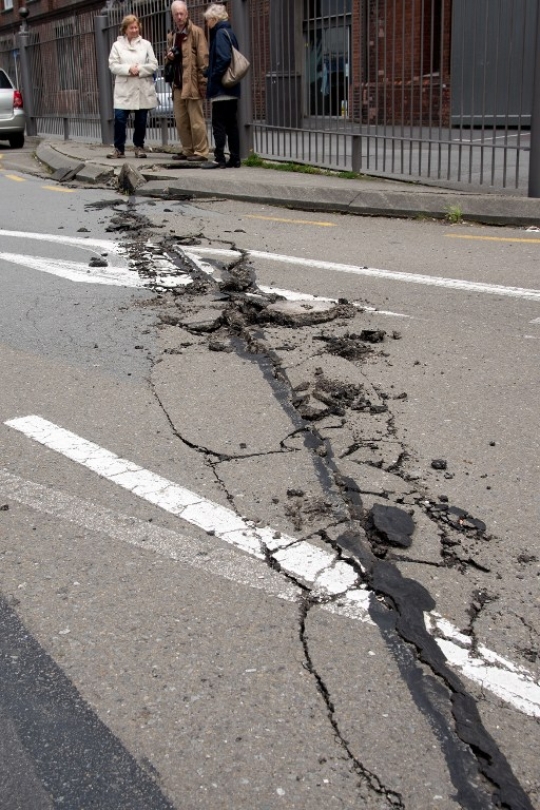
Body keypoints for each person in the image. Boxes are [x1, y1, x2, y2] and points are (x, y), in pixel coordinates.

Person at [108, 15, 158, 159]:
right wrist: (129, 69)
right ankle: (119, 148)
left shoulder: (146, 45)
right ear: (125, 29)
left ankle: (139, 146)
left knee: (141, 120)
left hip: (142, 87)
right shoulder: (117, 46)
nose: (135, 30)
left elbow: (154, 64)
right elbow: (113, 65)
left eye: (136, 27)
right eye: (131, 28)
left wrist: (140, 69)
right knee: (119, 118)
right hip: (124, 88)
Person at [165, 1, 209, 162]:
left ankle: (201, 151)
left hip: (192, 83)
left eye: (181, 13)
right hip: (177, 83)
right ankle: (188, 149)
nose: (179, 17)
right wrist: (169, 58)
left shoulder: (196, 32)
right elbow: (169, 61)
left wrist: (203, 83)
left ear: (187, 14)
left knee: (196, 120)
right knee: (181, 120)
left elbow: (203, 60)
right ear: (173, 16)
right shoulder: (172, 36)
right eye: (176, 14)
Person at [201, 4, 241, 169]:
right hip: (232, 87)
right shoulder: (230, 33)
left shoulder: (219, 34)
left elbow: (223, 58)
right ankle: (235, 158)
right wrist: (209, 71)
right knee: (231, 123)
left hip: (222, 89)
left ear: (214, 19)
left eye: (208, 20)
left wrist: (214, 76)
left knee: (218, 123)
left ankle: (219, 158)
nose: (207, 24)